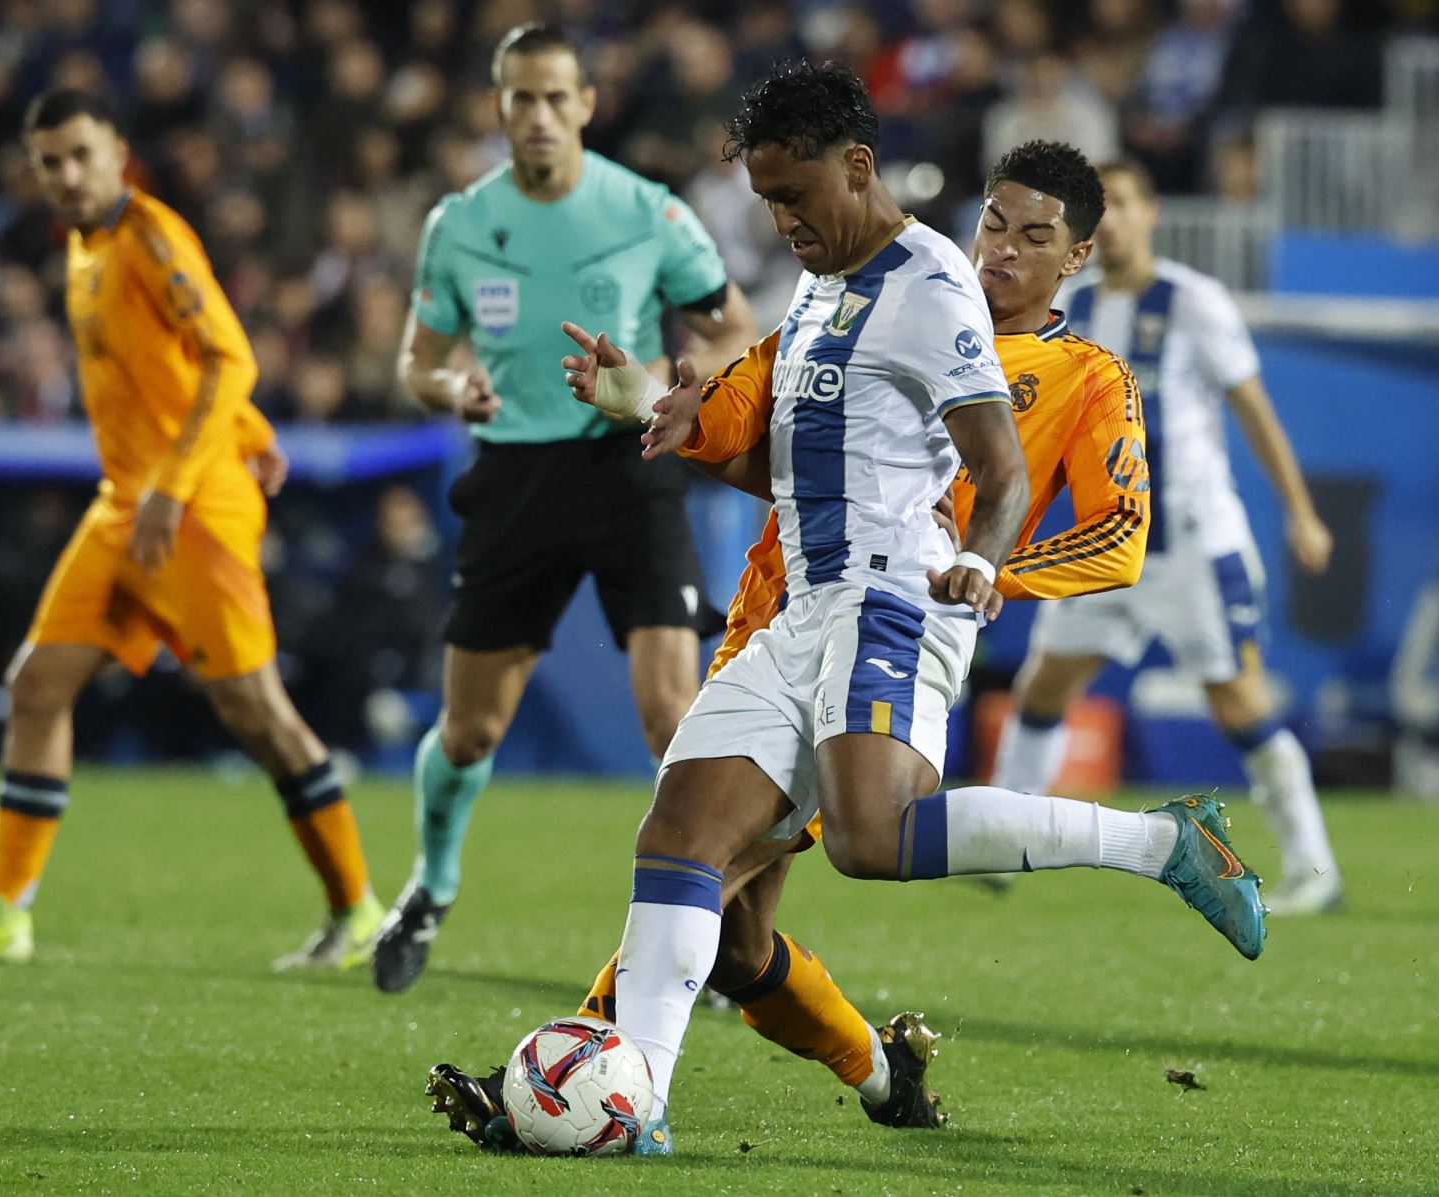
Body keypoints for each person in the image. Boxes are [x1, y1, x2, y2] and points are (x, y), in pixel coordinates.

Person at [426, 138, 1169, 1158]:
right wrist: (654, 402)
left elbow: (1119, 531)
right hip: (775, 615)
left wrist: (992, 570)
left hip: (885, 632)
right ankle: (878, 1072)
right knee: (732, 937)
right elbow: (757, 446)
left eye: (1033, 238)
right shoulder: (869, 304)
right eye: (994, 224)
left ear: (1074, 257)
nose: (1002, 252)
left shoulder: (1084, 378)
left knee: (718, 857)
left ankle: (582, 1083)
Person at [0, 90, 384, 969]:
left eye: (81, 154)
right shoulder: (86, 247)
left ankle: (359, 910)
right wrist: (251, 433)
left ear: (116, 150)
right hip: (127, 506)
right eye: (50, 162)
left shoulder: (152, 236)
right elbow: (177, 369)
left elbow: (233, 355)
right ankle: (3, 911)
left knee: (258, 713)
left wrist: (181, 482)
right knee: (37, 684)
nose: (67, 176)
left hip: (189, 514)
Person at [371, 24, 758, 995]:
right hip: (514, 481)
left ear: (588, 103)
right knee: (469, 734)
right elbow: (416, 359)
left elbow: (733, 328)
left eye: (556, 98)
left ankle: (708, 934)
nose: (538, 116)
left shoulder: (648, 212)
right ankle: (433, 882)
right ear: (498, 107)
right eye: (519, 99)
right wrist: (448, 389)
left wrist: (672, 386)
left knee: (674, 717)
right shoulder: (460, 223)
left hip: (630, 471)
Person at [995, 157, 1342, 915]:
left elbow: (1253, 408)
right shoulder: (1071, 307)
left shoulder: (1194, 302)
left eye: (1123, 202)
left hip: (1192, 545)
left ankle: (1316, 869)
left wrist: (1301, 510)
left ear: (1151, 213)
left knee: (1239, 701)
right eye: (1100, 207)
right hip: (1103, 547)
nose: (1112, 218)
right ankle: (1003, 842)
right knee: (1045, 683)